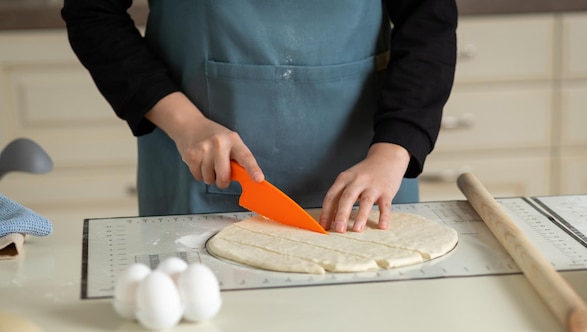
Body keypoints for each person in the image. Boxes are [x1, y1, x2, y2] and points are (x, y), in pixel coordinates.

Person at [61, 1, 457, 233]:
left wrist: (393, 151)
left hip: (371, 170)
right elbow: (92, 11)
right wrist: (186, 123)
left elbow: (428, 17)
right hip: (197, 161)